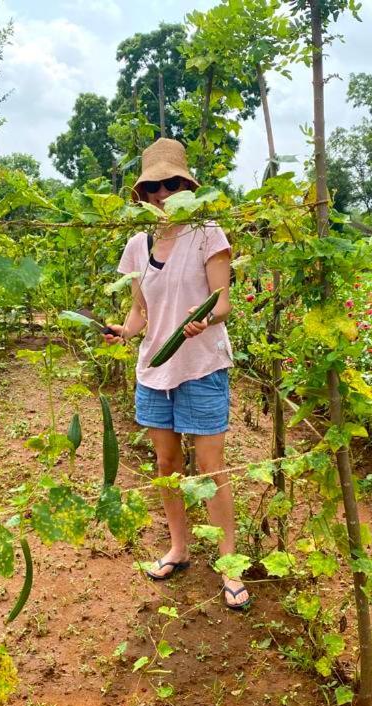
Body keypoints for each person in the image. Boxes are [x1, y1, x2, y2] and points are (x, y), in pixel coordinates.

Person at [104, 138, 250, 611]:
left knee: (211, 469)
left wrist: (205, 317)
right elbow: (139, 314)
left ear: (187, 186)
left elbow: (223, 302)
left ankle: (229, 565)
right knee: (168, 468)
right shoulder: (136, 245)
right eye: (153, 186)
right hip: (154, 369)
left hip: (202, 364)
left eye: (171, 183)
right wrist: (122, 333)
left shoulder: (209, 234)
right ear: (143, 194)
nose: (163, 193)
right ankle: (179, 549)